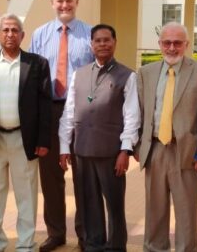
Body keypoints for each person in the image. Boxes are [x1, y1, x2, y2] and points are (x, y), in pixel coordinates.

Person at [0, 13, 52, 252]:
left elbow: (45, 105)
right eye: (5, 30)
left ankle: (26, 244)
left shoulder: (37, 64)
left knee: (27, 196)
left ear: (22, 35)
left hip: (24, 140)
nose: (10, 34)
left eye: (15, 30)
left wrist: (43, 139)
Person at [58, 24, 140, 252]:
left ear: (114, 43)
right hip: (82, 150)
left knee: (114, 205)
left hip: (111, 153)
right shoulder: (79, 74)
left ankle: (116, 247)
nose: (102, 44)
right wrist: (64, 147)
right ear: (91, 44)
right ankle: (94, 245)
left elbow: (132, 116)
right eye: (98, 40)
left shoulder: (127, 75)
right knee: (89, 203)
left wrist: (125, 151)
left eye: (107, 40)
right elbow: (69, 112)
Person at [136, 22, 197, 252]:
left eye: (177, 43)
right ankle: (154, 248)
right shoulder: (146, 73)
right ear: (160, 44)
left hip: (187, 153)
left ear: (186, 44)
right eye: (167, 43)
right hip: (155, 150)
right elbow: (140, 112)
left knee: (186, 212)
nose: (172, 48)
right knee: (154, 210)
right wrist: (139, 146)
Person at [30, 0, 94, 251]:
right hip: (50, 111)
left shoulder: (90, 34)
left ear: (77, 2)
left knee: (83, 176)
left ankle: (86, 235)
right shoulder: (40, 35)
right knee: (50, 177)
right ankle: (56, 233)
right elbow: (32, 77)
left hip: (81, 112)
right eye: (60, 1)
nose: (65, 5)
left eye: (69, 1)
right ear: (52, 3)